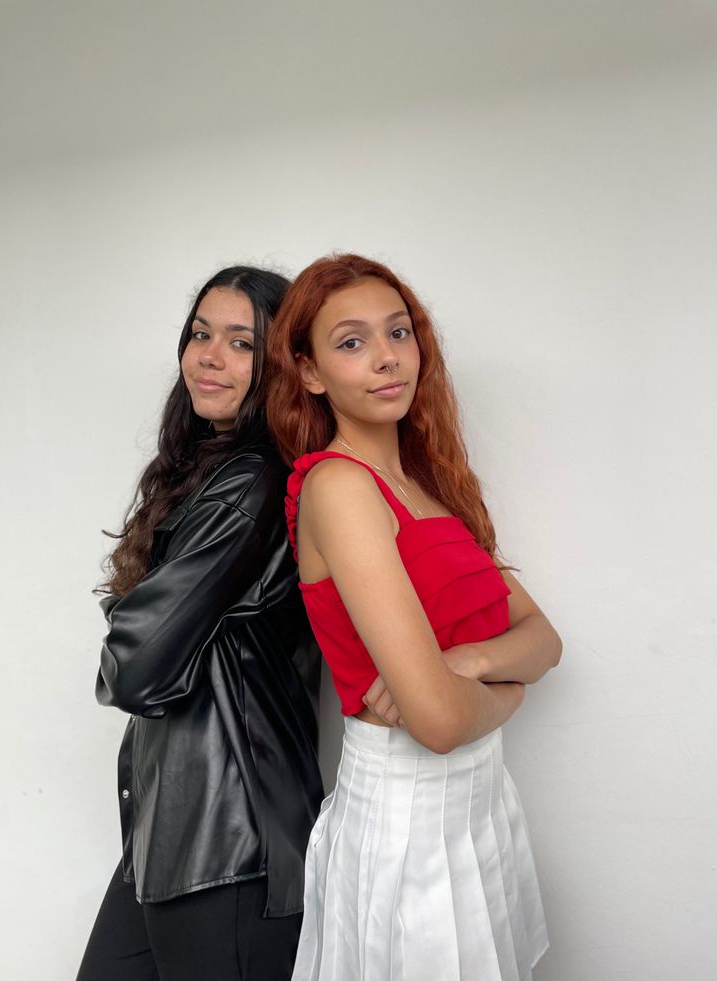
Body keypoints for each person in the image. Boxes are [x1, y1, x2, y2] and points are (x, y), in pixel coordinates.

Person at [266, 254, 562, 981]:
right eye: (352, 342)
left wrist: (470, 664)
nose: (387, 357)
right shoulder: (338, 487)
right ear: (309, 373)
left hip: (482, 802)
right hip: (405, 815)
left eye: (398, 332)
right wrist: (510, 689)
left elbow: (545, 640)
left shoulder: (429, 487)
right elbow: (433, 722)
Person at [77, 266, 324, 981]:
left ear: (278, 363)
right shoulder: (210, 471)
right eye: (200, 334)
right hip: (174, 834)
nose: (209, 356)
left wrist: (131, 621)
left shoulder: (250, 481)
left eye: (242, 343)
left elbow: (135, 665)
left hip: (229, 843)